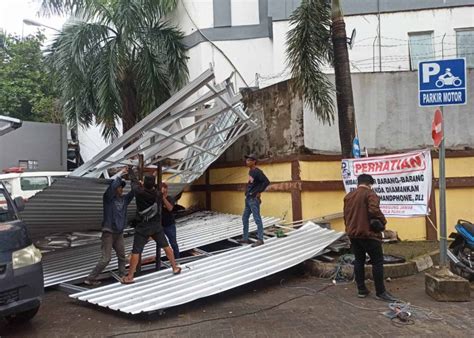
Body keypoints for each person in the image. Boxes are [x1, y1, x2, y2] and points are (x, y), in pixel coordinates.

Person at [343, 174, 397, 301]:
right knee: (377, 262)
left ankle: (361, 290)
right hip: (369, 234)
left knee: (359, 261)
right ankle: (380, 292)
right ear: (369, 184)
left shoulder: (348, 196)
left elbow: (346, 216)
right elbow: (374, 210)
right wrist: (383, 221)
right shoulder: (370, 194)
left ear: (358, 183)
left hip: (354, 235)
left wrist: (350, 229)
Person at [122, 170, 181, 284]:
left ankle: (130, 277)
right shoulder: (158, 194)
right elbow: (155, 188)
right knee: (166, 246)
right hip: (156, 226)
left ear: (143, 183)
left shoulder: (138, 191)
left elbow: (133, 182)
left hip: (143, 226)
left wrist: (130, 171)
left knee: (136, 251)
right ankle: (174, 267)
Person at [85, 167, 134, 286]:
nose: (121, 189)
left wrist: (133, 176)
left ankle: (123, 275)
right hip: (109, 232)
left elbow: (134, 191)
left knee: (122, 256)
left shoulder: (124, 200)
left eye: (122, 187)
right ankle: (90, 278)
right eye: (119, 187)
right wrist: (121, 173)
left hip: (119, 233)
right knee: (106, 259)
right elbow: (112, 187)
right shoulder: (108, 199)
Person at [239, 154, 270, 247]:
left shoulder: (257, 172)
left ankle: (260, 239)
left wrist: (258, 192)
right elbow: (252, 184)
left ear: (254, 161)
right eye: (247, 160)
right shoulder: (251, 171)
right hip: (248, 198)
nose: (247, 162)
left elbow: (266, 182)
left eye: (249, 160)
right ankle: (245, 238)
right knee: (244, 218)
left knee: (257, 219)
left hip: (253, 199)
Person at [160, 182, 180, 259]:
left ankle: (178, 260)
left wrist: (163, 198)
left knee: (173, 243)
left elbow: (170, 208)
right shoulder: (157, 199)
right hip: (160, 225)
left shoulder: (170, 198)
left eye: (163, 188)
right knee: (160, 244)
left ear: (166, 189)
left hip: (169, 225)